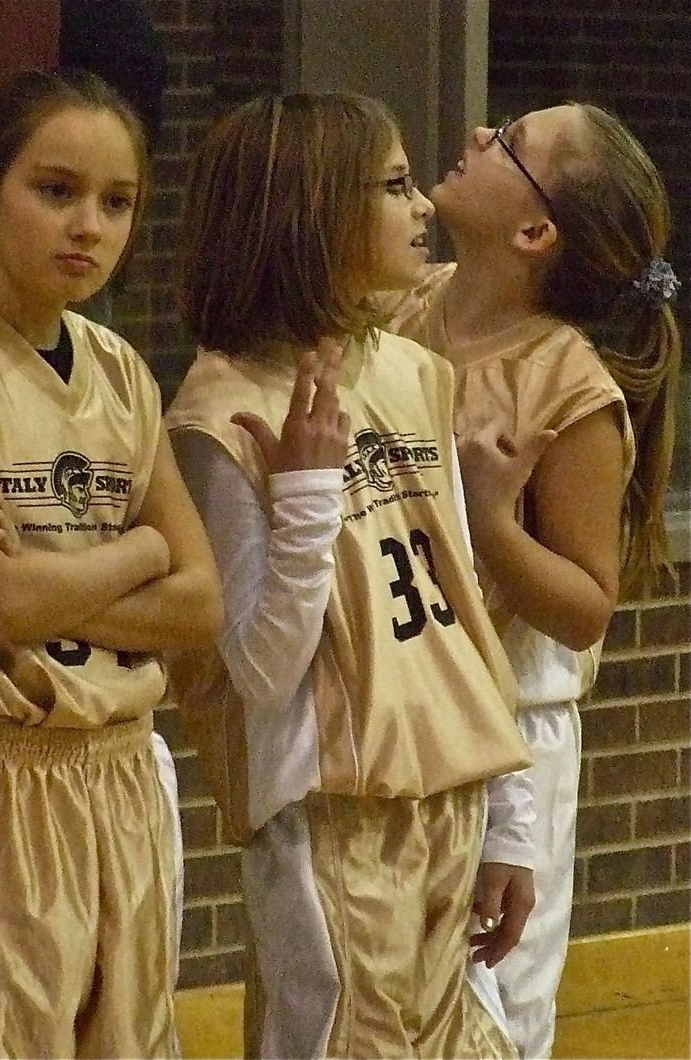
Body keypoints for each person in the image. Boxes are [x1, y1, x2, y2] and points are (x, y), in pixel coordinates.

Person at [166, 92, 535, 1058]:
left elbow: (460, 609)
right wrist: (306, 499)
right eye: (396, 185)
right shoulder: (222, 412)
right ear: (313, 209)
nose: (423, 210)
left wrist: (509, 821)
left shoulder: (411, 372)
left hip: (448, 792)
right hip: (329, 817)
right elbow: (256, 669)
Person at [0, 68, 222, 1058]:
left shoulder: (120, 366)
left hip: (123, 765)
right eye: (57, 190)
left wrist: (64, 581)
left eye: (116, 203)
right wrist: (143, 550)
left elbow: (202, 604)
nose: (89, 224)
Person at [381, 103, 683, 1058]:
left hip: (510, 738)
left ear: (535, 230)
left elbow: (587, 605)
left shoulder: (569, 388)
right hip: (403, 719)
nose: (475, 135)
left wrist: (493, 526)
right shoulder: (402, 304)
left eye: (508, 140)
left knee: (494, 1026)